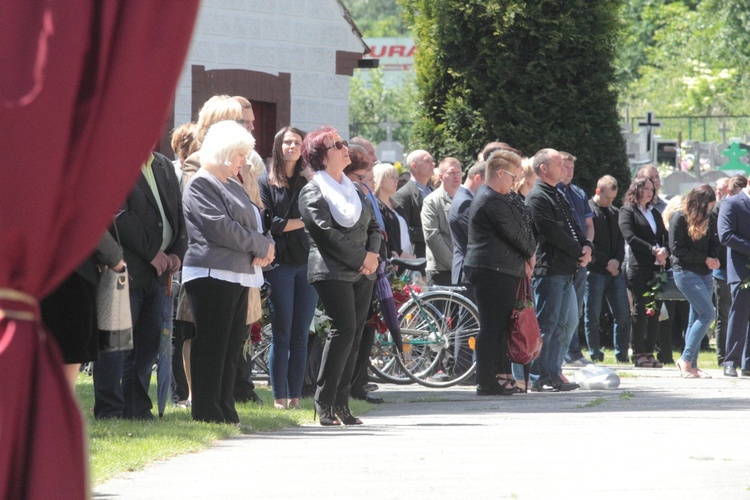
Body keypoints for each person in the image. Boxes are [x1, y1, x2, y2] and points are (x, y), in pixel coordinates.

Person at [181, 120, 274, 424]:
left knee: (232, 345)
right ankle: (207, 413)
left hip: (237, 273)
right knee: (213, 345)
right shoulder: (201, 183)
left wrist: (267, 245)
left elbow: (254, 223)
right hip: (211, 274)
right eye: (239, 154)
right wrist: (260, 246)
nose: (244, 161)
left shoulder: (232, 183)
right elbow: (221, 228)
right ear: (222, 152)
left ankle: (226, 410)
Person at [93, 150, 187, 420]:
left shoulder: (164, 165)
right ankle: (110, 410)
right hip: (124, 269)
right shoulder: (117, 161)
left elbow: (178, 215)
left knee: (146, 348)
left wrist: (177, 252)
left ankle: (137, 408)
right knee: (115, 346)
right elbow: (118, 214)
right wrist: (152, 253)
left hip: (159, 274)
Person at [299, 127, 381, 426]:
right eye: (337, 145)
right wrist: (363, 258)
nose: (345, 147)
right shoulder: (312, 190)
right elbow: (325, 234)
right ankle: (323, 403)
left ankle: (342, 406)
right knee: (343, 330)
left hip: (362, 271)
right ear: (321, 156)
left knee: (354, 337)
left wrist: (371, 258)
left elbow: (373, 227)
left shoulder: (356, 189)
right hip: (331, 270)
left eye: (343, 143)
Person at [464, 150, 535, 395]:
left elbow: (520, 227)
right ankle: (485, 380)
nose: (514, 183)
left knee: (501, 327)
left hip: (500, 268)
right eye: (513, 177)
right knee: (491, 327)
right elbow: (512, 232)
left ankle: (495, 376)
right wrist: (531, 252)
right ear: (500, 173)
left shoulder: (496, 196)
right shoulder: (490, 198)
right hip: (491, 269)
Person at [258, 126, 317, 410]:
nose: (292, 146)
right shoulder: (265, 181)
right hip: (280, 264)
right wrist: (304, 222)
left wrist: (313, 178)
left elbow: (325, 211)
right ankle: (279, 397)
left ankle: (296, 396)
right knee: (281, 334)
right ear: (278, 146)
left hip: (307, 264)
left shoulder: (309, 182)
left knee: (301, 335)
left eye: (297, 143)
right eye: (287, 142)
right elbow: (272, 224)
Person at [525, 148, 591, 392]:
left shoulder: (558, 194)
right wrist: (578, 250)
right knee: (546, 324)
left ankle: (553, 373)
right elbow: (552, 233)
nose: (564, 168)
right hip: (549, 269)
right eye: (558, 164)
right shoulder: (537, 197)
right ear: (543, 168)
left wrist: (587, 246)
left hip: (566, 269)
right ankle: (536, 375)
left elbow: (575, 226)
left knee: (562, 325)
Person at [41, 231, 125, 393]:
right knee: (69, 355)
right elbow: (90, 223)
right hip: (73, 277)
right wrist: (116, 260)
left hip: (33, 279)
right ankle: (59, 410)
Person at [619, 176, 669, 368]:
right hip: (639, 267)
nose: (649, 192)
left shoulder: (654, 212)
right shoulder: (628, 211)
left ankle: (649, 351)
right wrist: (652, 250)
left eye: (651, 189)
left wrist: (665, 251)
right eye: (646, 188)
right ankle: (638, 352)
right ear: (636, 189)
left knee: (654, 310)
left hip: (657, 267)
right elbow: (630, 237)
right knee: (640, 309)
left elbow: (664, 236)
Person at [670, 185, 719, 378]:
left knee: (695, 319)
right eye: (707, 206)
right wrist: (705, 259)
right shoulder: (679, 217)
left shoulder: (709, 217)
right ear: (699, 204)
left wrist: (713, 258)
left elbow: (713, 242)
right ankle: (685, 359)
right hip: (685, 272)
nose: (709, 210)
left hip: (705, 273)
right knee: (708, 314)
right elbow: (677, 250)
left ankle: (692, 365)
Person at [584, 176, 631, 363]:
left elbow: (621, 240)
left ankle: (622, 353)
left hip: (614, 270)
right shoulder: (588, 210)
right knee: (592, 314)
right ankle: (595, 352)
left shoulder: (614, 212)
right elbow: (589, 241)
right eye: (606, 198)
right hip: (595, 269)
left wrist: (618, 261)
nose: (609, 202)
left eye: (612, 199)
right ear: (597, 192)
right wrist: (607, 263)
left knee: (622, 313)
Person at [557, 152, 595, 367]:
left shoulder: (579, 193)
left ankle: (573, 351)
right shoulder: (554, 192)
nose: (569, 172)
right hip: (564, 258)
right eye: (565, 168)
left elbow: (589, 225)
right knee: (561, 309)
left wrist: (588, 247)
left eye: (572, 168)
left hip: (582, 258)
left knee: (576, 308)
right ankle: (560, 354)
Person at [712, 175, 747, 366]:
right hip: (740, 268)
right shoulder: (732, 203)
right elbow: (725, 235)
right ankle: (731, 361)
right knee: (737, 315)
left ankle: (747, 363)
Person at [422, 157, 462, 285]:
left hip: (463, 269)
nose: (456, 176)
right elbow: (432, 236)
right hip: (441, 270)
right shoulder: (431, 201)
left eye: (458, 172)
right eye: (451, 173)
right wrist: (454, 264)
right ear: (441, 176)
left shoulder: (467, 199)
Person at [392, 149, 435, 258]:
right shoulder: (403, 195)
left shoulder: (434, 191)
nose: (433, 164)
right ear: (414, 166)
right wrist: (433, 232)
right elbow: (403, 228)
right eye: (427, 161)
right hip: (418, 257)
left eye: (432, 160)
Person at [448, 161, 486, 287]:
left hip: (469, 271)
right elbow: (477, 236)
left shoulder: (465, 198)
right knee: (468, 307)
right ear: (477, 178)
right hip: (468, 272)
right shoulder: (465, 202)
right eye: (488, 183)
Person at [374, 162, 414, 259]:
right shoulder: (376, 207)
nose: (396, 181)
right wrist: (408, 258)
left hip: (407, 259)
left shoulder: (397, 206)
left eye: (397, 178)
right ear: (380, 180)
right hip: (394, 260)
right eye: (392, 177)